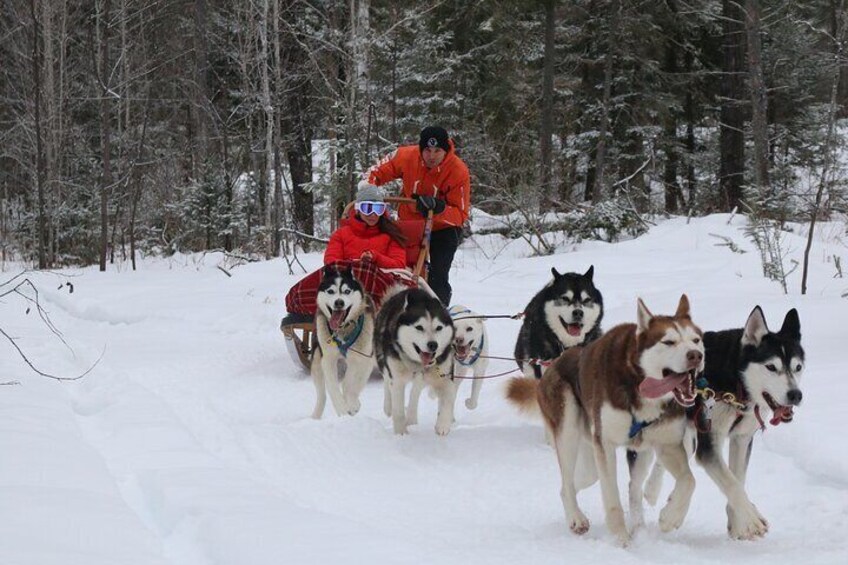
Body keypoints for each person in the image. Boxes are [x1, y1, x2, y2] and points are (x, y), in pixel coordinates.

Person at [364, 125, 471, 306]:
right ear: (421, 149)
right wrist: (368, 192)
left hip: (442, 227)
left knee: (438, 273)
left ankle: (439, 310)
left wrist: (439, 208)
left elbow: (460, 214)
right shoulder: (406, 156)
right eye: (427, 150)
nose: (431, 156)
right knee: (400, 267)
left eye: (437, 151)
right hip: (409, 223)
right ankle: (392, 303)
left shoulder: (458, 171)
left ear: (446, 150)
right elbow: (375, 172)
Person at [283, 183, 411, 321]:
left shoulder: (392, 234)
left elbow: (398, 264)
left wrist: (375, 258)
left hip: (378, 286)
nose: (373, 214)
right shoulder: (341, 234)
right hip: (345, 284)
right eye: (367, 208)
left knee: (364, 272)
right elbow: (332, 262)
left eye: (378, 209)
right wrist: (353, 265)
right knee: (336, 276)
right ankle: (299, 302)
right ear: (358, 210)